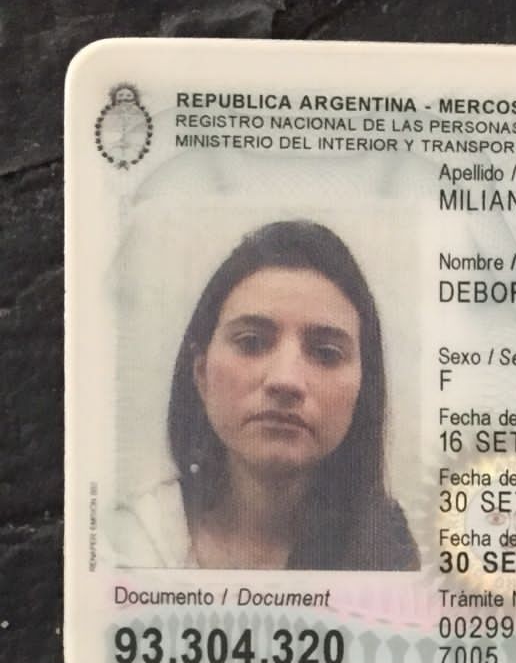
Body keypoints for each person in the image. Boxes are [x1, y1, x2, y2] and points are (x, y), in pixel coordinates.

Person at [111, 220, 420, 570]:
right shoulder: (130, 543)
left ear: (363, 387)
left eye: (326, 353)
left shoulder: (391, 554)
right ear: (201, 373)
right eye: (251, 343)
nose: (285, 380)